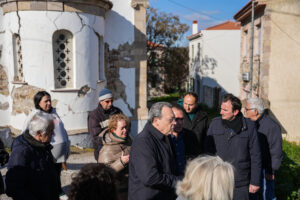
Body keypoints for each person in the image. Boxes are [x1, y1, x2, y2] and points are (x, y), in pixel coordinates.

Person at [205, 93, 261, 200]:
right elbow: (207, 152)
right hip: (218, 180)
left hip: (240, 183)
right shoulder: (215, 124)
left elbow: (256, 156)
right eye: (221, 109)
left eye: (225, 110)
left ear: (235, 111)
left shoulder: (250, 127)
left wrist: (255, 181)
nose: (221, 112)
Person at [129, 102, 180, 200]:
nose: (174, 122)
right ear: (156, 120)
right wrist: (177, 181)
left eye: (174, 119)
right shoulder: (143, 141)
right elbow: (150, 177)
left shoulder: (166, 137)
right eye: (171, 119)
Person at [22, 91, 70, 195]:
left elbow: (61, 129)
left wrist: (67, 144)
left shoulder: (53, 112)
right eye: (45, 101)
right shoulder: (35, 115)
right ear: (38, 103)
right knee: (49, 175)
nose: (49, 103)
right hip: (47, 151)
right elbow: (25, 132)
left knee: (57, 173)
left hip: (60, 152)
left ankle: (57, 189)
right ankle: (53, 192)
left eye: (49, 100)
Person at [6, 112, 60, 200]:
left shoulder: (43, 146)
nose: (53, 133)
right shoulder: (22, 152)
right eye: (51, 130)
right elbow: (13, 187)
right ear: (39, 133)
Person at [245, 98, 282, 200]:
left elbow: (276, 151)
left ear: (255, 111)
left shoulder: (271, 126)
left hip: (265, 169)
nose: (245, 111)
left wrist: (271, 171)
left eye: (247, 109)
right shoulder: (248, 124)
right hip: (252, 168)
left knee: (267, 196)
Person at [98, 113, 132, 199]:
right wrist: (121, 162)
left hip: (131, 187)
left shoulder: (128, 140)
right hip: (118, 191)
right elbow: (103, 174)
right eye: (122, 128)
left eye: (126, 127)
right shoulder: (106, 150)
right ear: (113, 130)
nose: (125, 130)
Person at [88, 88, 122, 160]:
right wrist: (113, 140)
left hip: (119, 149)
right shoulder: (94, 116)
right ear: (101, 102)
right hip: (103, 151)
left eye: (111, 101)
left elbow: (126, 127)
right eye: (107, 101)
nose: (110, 104)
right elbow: (96, 138)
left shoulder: (118, 111)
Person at [171, 105, 200, 176]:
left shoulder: (190, 135)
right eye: (177, 119)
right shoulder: (163, 137)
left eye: (182, 119)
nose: (180, 123)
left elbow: (196, 157)